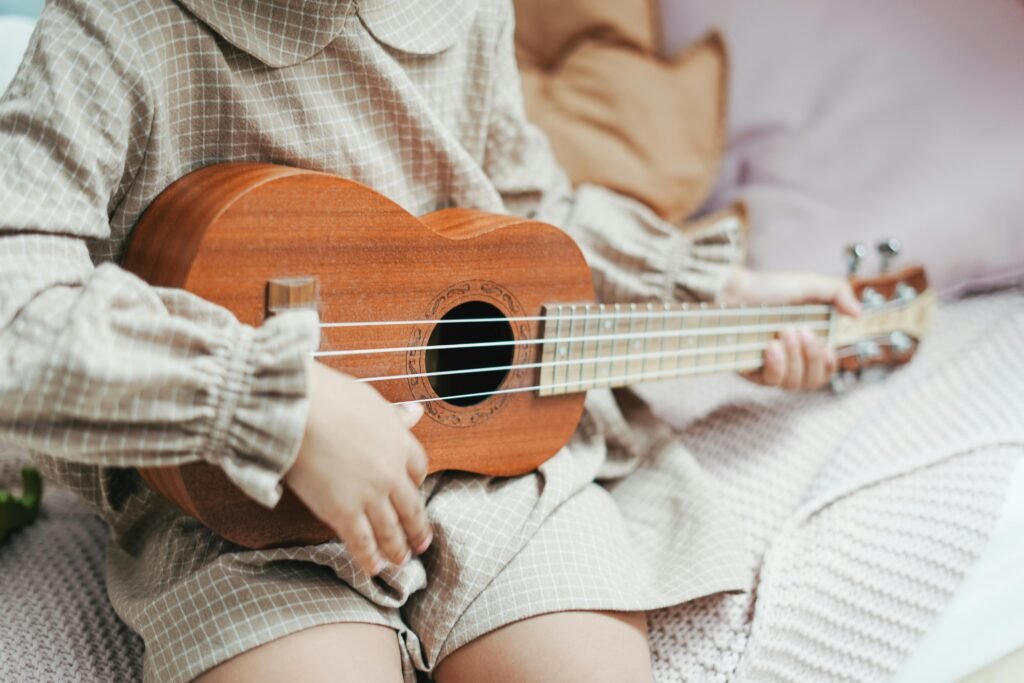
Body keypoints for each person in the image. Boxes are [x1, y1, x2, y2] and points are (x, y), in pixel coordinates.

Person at [0, 1, 859, 681]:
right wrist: (273, 401)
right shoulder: (116, 28)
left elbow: (527, 212)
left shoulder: (463, 9)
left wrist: (714, 293)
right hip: (238, 504)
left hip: (496, 467)